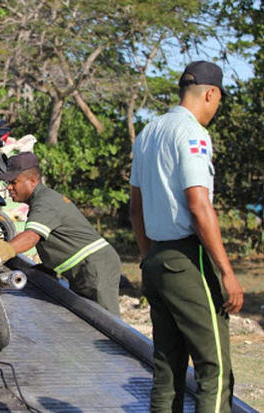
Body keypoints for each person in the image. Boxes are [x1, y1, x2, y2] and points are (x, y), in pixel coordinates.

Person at [129, 61, 243, 412]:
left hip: (156, 260)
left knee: (167, 367)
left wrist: (149, 256)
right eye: (219, 100)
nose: (216, 107)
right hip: (185, 260)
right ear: (211, 93)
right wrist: (226, 272)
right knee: (215, 369)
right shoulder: (192, 133)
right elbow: (198, 205)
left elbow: (136, 207)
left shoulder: (149, 132)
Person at [0, 152, 121, 316]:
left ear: (33, 181)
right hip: (86, 268)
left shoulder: (45, 202)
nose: (9, 187)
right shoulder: (42, 200)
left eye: (13, 182)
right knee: (89, 320)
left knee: (107, 322)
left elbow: (31, 237)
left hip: (96, 267)